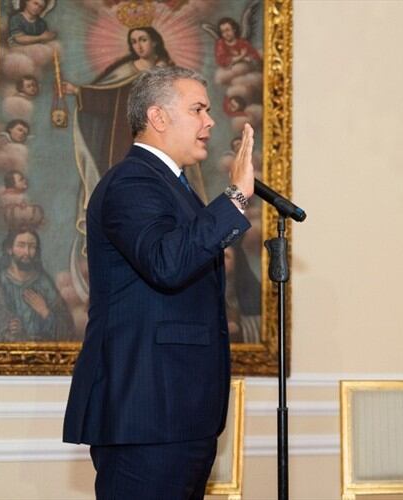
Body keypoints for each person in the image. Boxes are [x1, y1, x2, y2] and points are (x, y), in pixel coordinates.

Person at [63, 66, 255, 499]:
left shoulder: (176, 188)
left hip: (179, 414)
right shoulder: (132, 181)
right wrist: (237, 197)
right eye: (198, 109)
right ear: (159, 117)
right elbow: (167, 263)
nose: (209, 121)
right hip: (146, 414)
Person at [64, 26, 174, 176]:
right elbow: (107, 98)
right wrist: (77, 91)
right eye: (134, 42)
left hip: (160, 133)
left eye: (143, 40)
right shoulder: (125, 71)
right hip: (125, 134)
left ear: (154, 42)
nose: (139, 46)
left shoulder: (168, 71)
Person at [0, 229, 75, 342]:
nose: (27, 252)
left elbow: (67, 330)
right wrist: (7, 325)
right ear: (9, 249)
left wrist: (44, 311)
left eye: (32, 247)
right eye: (21, 246)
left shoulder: (44, 283)